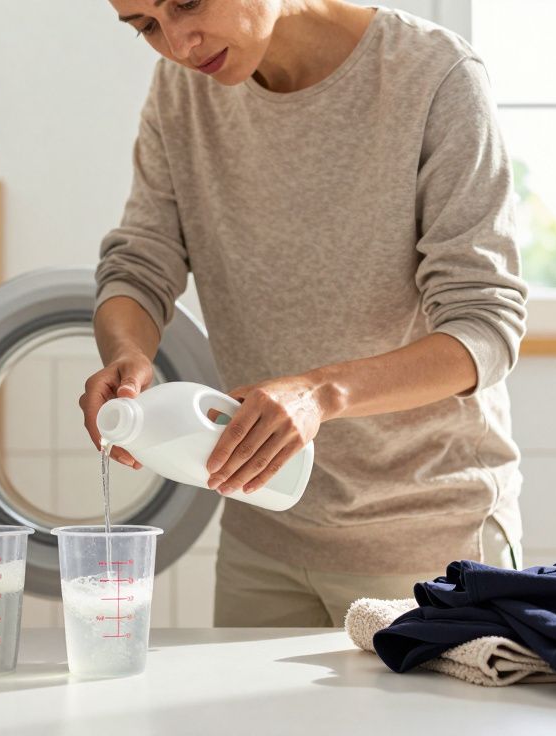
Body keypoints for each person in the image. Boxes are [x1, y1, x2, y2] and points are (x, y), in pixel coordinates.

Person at [78, 0, 529, 627]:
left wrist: (321, 393)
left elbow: (485, 328)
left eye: (187, 3)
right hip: (262, 534)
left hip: (425, 543)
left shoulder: (434, 76)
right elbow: (140, 262)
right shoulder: (184, 89)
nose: (179, 44)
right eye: (146, 26)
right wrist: (127, 354)